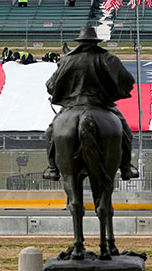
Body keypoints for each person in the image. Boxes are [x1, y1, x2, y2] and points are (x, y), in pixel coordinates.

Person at [41, 26, 138, 182]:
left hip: (73, 105)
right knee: (125, 131)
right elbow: (127, 82)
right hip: (102, 105)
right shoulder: (109, 59)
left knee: (50, 133)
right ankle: (126, 167)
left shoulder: (67, 60)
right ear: (96, 43)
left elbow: (50, 86)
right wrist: (113, 93)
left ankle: (52, 169)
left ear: (80, 42)